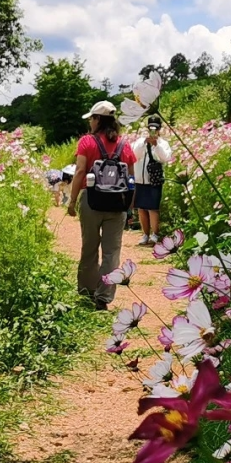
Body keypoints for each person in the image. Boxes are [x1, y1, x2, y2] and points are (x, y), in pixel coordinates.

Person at [67, 100, 136, 310]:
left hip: (92, 202)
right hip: (117, 206)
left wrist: (72, 201)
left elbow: (79, 172)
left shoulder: (87, 142)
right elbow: (132, 180)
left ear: (98, 120)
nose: (90, 122)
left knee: (89, 248)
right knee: (111, 253)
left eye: (91, 118)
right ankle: (103, 297)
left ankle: (87, 291)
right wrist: (130, 208)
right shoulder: (125, 145)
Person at [131, 116, 172, 245]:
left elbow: (165, 158)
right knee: (141, 208)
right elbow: (133, 155)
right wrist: (144, 143)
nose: (153, 130)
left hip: (154, 180)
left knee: (153, 208)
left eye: (156, 128)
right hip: (140, 180)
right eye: (151, 128)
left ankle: (155, 234)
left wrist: (156, 145)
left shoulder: (163, 143)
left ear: (160, 129)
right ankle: (145, 234)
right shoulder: (140, 142)